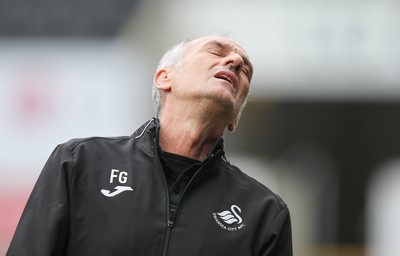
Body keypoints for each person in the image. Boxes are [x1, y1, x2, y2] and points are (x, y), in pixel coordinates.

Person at [7, 35, 293, 256]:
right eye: (216, 52)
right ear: (164, 78)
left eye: (246, 71)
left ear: (235, 119)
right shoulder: (79, 163)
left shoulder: (263, 211)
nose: (235, 63)